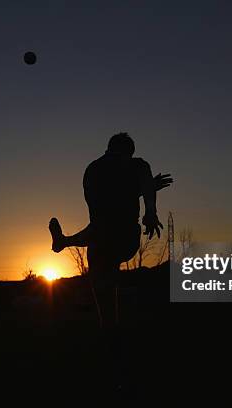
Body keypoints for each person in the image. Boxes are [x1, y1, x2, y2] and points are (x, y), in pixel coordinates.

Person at [48, 132, 171, 391]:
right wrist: (149, 208)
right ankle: (110, 338)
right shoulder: (137, 164)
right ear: (129, 150)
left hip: (99, 236)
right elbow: (134, 194)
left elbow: (107, 203)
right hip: (124, 236)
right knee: (106, 279)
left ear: (109, 148)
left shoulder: (93, 168)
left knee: (101, 266)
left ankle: (66, 242)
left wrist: (141, 189)